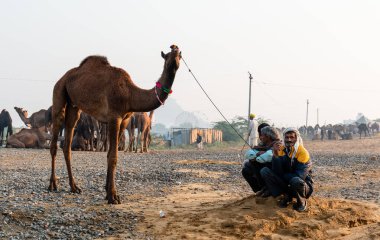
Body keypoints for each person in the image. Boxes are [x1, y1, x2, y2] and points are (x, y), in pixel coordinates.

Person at [260, 127, 313, 212]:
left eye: (292, 137)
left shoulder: (303, 152)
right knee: (265, 171)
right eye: (287, 137)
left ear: (296, 138)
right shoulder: (281, 149)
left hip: (302, 185)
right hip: (287, 182)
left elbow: (300, 176)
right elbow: (277, 171)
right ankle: (284, 196)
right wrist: (276, 155)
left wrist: (283, 176)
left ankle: (302, 201)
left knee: (295, 180)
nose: (289, 140)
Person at [242, 124, 280, 196]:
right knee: (246, 168)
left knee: (262, 167)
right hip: (266, 169)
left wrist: (263, 154)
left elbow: (271, 155)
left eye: (262, 135)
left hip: (276, 172)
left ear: (268, 137)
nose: (260, 137)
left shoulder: (278, 144)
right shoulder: (263, 144)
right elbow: (256, 150)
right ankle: (261, 189)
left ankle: (268, 189)